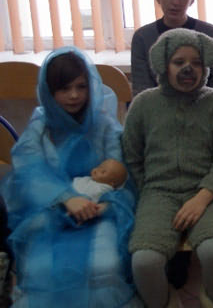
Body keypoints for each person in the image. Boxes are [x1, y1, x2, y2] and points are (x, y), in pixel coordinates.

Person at [0, 47, 138, 307]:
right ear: (49, 92)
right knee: (42, 270)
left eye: (81, 87)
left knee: (104, 266)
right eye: (64, 89)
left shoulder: (105, 126)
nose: (74, 95)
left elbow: (123, 173)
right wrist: (66, 198)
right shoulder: (40, 129)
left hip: (101, 212)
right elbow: (29, 173)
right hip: (49, 211)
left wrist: (104, 205)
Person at [123, 28, 213, 307]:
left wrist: (203, 197)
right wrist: (148, 191)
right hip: (158, 194)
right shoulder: (143, 104)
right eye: (179, 62)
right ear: (164, 65)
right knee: (144, 261)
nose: (188, 69)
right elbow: (132, 155)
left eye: (196, 62)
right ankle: (166, 302)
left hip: (209, 194)